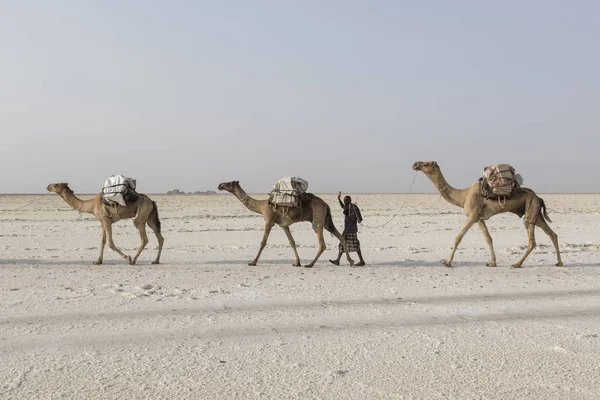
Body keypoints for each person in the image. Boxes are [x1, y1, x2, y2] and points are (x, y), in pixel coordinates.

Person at [330, 191, 365, 266]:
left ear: (349, 201)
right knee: (342, 244)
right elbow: (343, 207)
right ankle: (337, 260)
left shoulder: (353, 207)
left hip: (351, 230)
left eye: (345, 200)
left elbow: (356, 218)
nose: (344, 202)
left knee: (355, 245)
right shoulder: (347, 206)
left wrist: (350, 217)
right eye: (344, 200)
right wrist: (338, 199)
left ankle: (361, 261)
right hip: (347, 230)